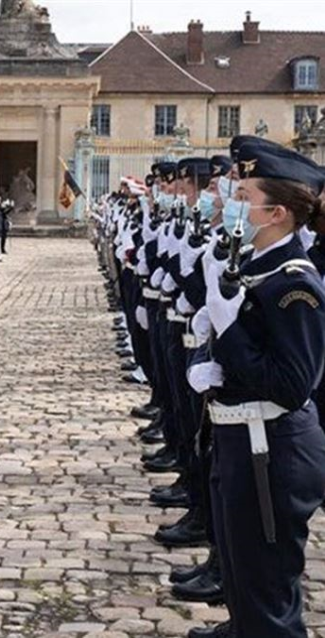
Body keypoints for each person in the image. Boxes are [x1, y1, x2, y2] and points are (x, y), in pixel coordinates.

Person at [188, 141, 325, 637]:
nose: (231, 204)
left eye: (243, 195)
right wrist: (216, 356)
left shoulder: (296, 284)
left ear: (277, 213)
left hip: (272, 450)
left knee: (268, 592)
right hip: (241, 441)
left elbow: (292, 385)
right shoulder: (256, 264)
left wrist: (229, 333)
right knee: (243, 574)